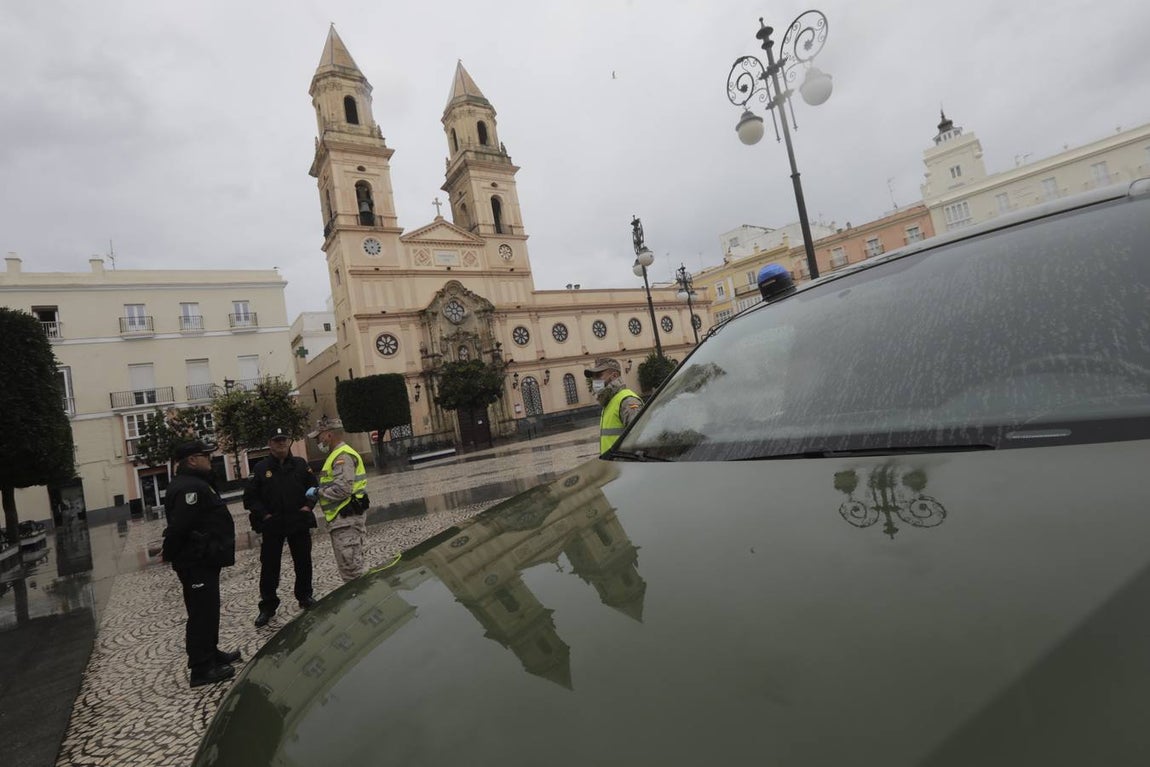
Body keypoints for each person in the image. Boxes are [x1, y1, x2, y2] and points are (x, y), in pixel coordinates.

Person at [161, 440, 241, 688]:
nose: (210, 458)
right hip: (195, 560)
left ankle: (211, 652)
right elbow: (180, 526)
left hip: (205, 558)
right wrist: (169, 552)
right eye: (204, 455)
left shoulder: (196, 483)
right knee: (201, 613)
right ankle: (200, 668)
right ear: (192, 460)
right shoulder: (189, 489)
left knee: (210, 608)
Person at [244, 427, 319, 628]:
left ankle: (304, 596)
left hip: (298, 521)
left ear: (289, 442)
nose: (281, 444)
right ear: (270, 443)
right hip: (273, 525)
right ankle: (267, 606)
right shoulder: (260, 469)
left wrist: (307, 506)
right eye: (276, 440)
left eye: (284, 440)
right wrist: (265, 515)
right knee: (269, 567)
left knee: (303, 561)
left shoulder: (301, 465)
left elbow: (313, 488)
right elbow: (250, 498)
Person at [305, 416, 369, 582]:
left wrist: (318, 492)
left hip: (346, 521)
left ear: (328, 435)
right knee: (352, 567)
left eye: (319, 437)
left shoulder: (342, 457)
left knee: (352, 573)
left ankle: (361, 604)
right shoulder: (337, 455)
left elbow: (343, 489)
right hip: (343, 521)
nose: (318, 441)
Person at [584, 357, 643, 453]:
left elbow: (641, 441)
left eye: (599, 375)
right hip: (612, 466)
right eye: (593, 377)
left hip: (624, 466)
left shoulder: (627, 401)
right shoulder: (608, 402)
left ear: (614, 376)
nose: (595, 381)